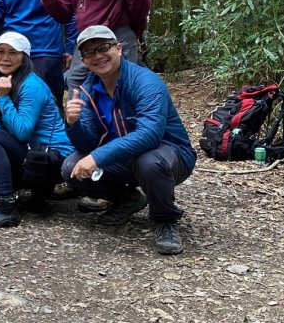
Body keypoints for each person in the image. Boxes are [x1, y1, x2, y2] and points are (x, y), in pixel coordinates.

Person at [61, 25, 195, 254]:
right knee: (71, 167)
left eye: (103, 48)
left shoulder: (146, 82)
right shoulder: (88, 91)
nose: (98, 56)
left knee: (149, 162)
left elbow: (150, 135)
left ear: (119, 49)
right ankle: (127, 199)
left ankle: (165, 219)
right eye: (90, 53)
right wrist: (72, 125)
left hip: (170, 155)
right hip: (124, 158)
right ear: (83, 61)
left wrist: (98, 157)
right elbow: (88, 145)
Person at [0, 32, 75, 229]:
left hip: (53, 157)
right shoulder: (3, 80)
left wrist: (2, 98)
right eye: (0, 52)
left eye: (12, 53)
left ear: (24, 57)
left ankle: (6, 208)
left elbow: (23, 131)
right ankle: (37, 192)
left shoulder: (31, 85)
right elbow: (1, 124)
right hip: (31, 153)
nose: (5, 58)